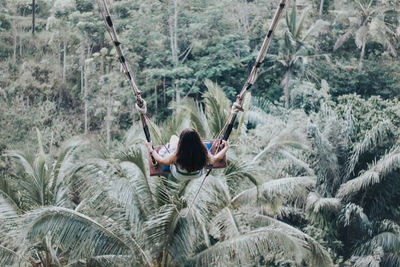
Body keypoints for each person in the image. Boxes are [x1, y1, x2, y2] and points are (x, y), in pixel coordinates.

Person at [146, 128, 229, 180]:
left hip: (179, 175)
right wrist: (226, 148)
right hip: (197, 175)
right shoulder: (204, 154)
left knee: (173, 138)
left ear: (181, 142)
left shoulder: (176, 157)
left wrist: (150, 148)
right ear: (198, 140)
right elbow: (216, 158)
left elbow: (160, 160)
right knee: (206, 149)